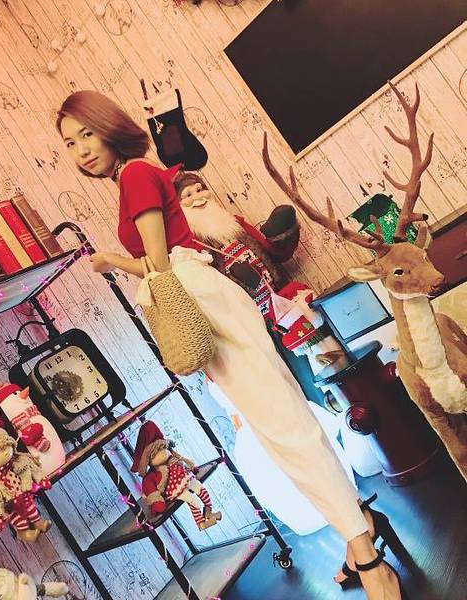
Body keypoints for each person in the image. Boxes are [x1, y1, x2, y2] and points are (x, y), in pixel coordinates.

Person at [56, 90, 406, 599]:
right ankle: (361, 529)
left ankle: (368, 557)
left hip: (205, 300)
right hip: (208, 300)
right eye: (70, 142)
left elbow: (159, 264)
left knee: (284, 428)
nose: (81, 149)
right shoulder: (135, 175)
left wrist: (112, 260)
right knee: (282, 425)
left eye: (87, 133)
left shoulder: (134, 176)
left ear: (109, 127)